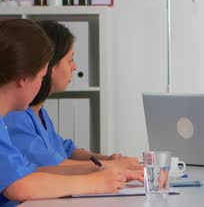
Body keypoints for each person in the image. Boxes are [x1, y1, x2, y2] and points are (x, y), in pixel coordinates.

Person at [0, 19, 129, 207]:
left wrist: (105, 169)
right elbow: (19, 185)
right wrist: (95, 182)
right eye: (41, 77)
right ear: (24, 78)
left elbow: (30, 172)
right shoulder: (11, 120)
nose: (41, 84)